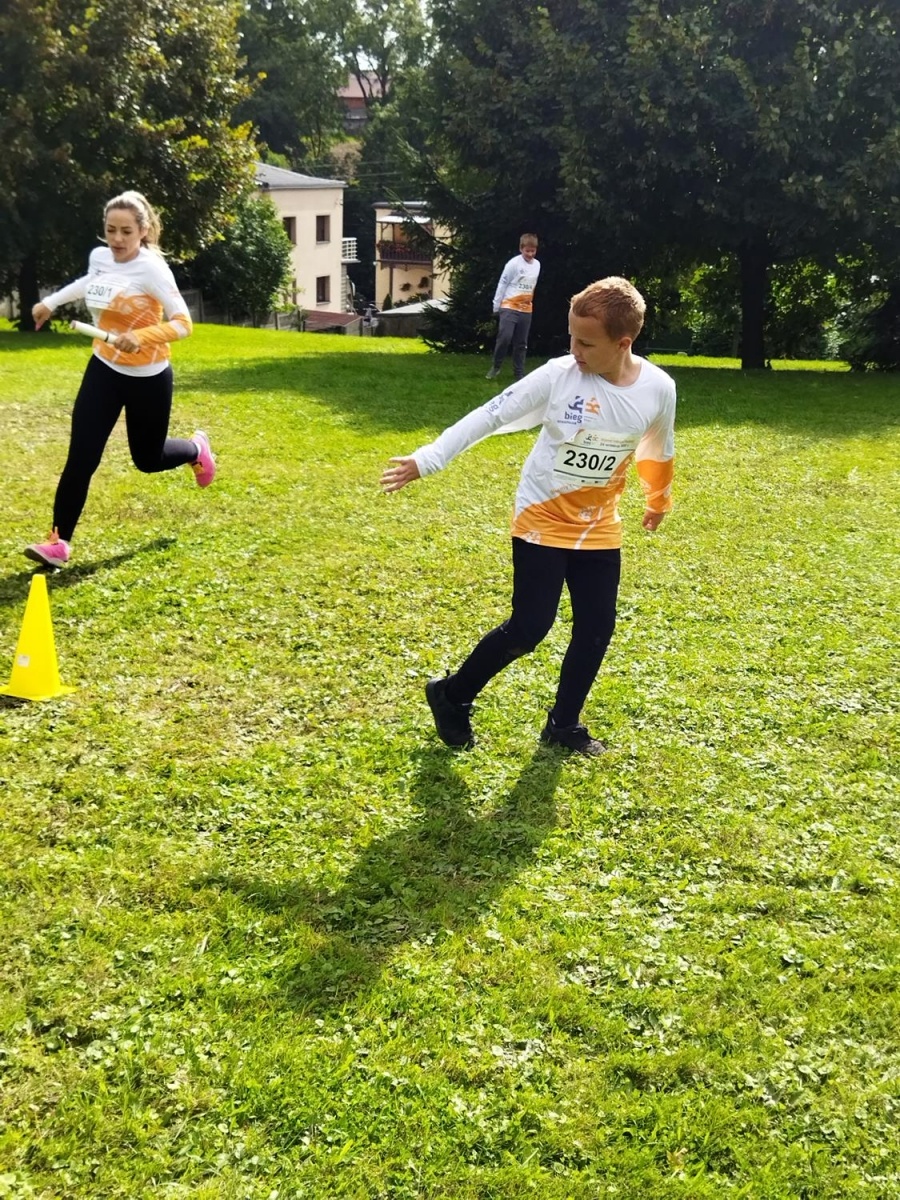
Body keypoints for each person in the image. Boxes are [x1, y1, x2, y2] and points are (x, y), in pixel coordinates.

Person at [381, 276, 675, 756]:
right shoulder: (560, 377)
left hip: (600, 524)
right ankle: (451, 695)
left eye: (586, 342)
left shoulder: (658, 389)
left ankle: (563, 725)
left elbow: (658, 446)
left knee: (597, 626)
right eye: (571, 337)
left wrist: (658, 498)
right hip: (542, 516)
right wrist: (428, 458)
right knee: (530, 626)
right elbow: (491, 414)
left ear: (625, 343)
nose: (574, 350)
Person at [25, 190, 215, 569]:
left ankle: (196, 449)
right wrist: (52, 302)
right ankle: (59, 543)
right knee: (81, 457)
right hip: (103, 370)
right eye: (110, 230)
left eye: (126, 231)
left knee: (148, 458)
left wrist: (140, 337)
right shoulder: (100, 257)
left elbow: (183, 324)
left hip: (148, 376)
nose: (117, 239)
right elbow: (89, 282)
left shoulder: (152, 270)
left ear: (142, 231)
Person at [486, 234, 541, 382]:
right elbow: (502, 283)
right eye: (527, 251)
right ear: (521, 249)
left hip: (526, 309)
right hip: (509, 306)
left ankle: (519, 373)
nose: (530, 254)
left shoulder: (537, 265)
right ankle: (496, 366)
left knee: (521, 342)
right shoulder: (513, 264)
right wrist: (496, 305)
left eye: (533, 251)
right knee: (505, 338)